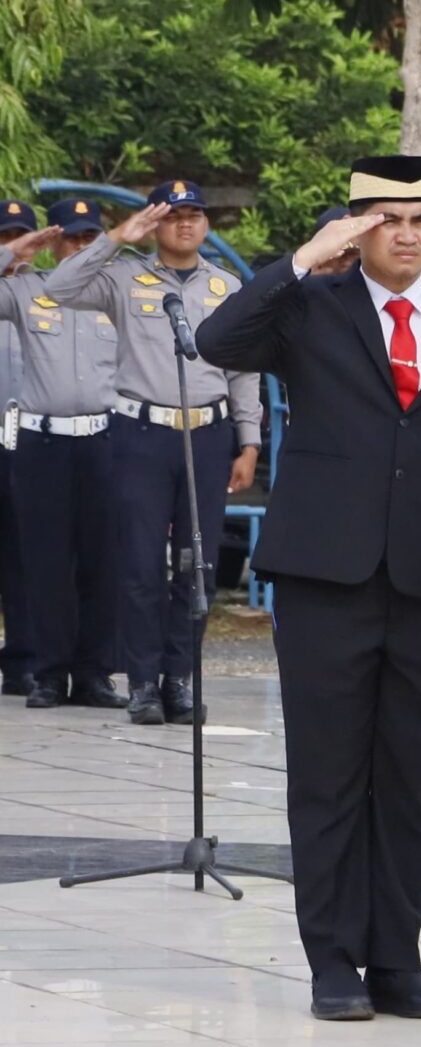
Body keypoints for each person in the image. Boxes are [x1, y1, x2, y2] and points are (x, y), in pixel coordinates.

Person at [196, 156, 421, 1022]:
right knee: (329, 774)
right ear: (356, 226)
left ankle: (398, 958)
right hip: (326, 577)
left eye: (419, 219)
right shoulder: (308, 310)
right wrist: (304, 259)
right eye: (386, 219)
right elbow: (217, 341)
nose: (407, 235)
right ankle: (333, 960)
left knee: (413, 778)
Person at [45, 183, 264, 725]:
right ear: (155, 222)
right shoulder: (123, 277)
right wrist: (118, 237)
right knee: (141, 564)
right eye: (173, 216)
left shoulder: (226, 285)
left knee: (198, 565)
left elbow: (243, 370)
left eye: (194, 216)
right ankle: (143, 683)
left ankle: (181, 678)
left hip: (207, 437)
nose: (184, 225)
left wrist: (250, 439)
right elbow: (59, 286)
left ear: (207, 225)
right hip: (142, 434)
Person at [0, 203, 124, 709]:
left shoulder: (119, 292)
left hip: (106, 437)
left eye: (90, 236)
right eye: (70, 238)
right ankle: (48, 673)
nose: (80, 247)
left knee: (104, 562)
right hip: (42, 439)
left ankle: (94, 673)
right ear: (52, 242)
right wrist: (11, 252)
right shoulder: (26, 289)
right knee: (45, 563)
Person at [0, 199, 41, 697]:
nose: (14, 244)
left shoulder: (47, 292)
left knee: (27, 558)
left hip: (27, 438)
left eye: (22, 234)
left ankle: (25, 660)